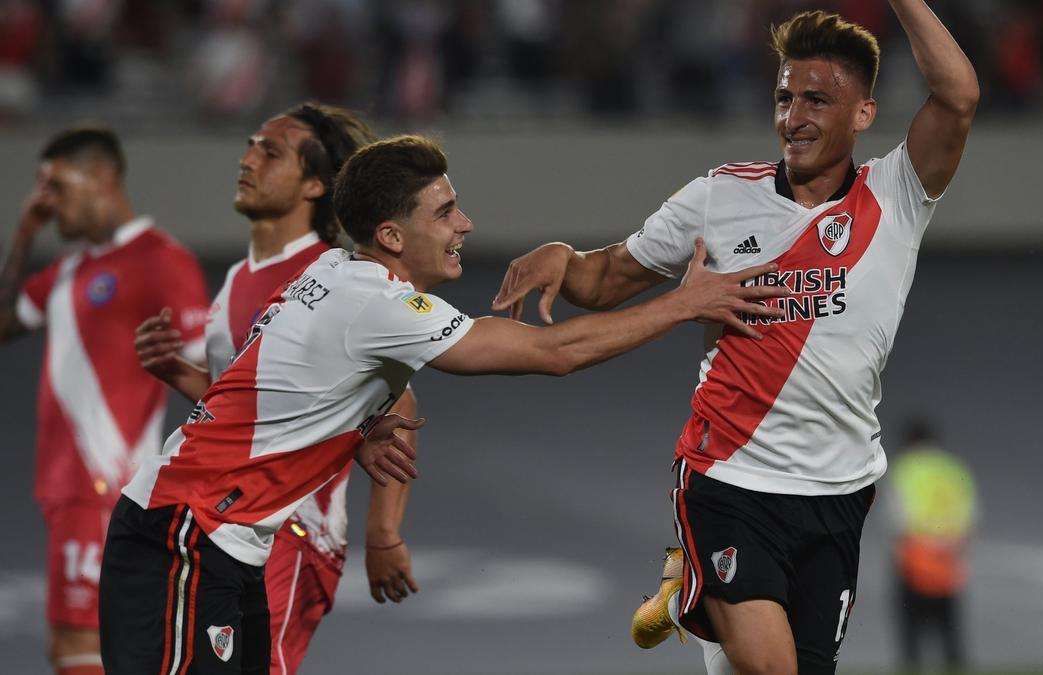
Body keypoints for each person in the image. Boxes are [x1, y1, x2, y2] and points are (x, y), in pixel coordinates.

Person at [97, 134, 786, 673]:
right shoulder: (375, 303)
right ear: (392, 237)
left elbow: (272, 391)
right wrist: (682, 304)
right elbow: (554, 353)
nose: (466, 221)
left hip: (207, 540)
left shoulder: (332, 272)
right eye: (445, 211)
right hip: (186, 539)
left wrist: (353, 429)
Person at [492, 3, 978, 673]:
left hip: (838, 489)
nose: (793, 116)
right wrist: (564, 259)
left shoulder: (896, 194)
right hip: (730, 476)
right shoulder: (720, 197)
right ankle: (697, 575)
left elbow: (958, 95)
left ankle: (687, 586)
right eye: (784, 97)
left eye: (816, 99)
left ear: (864, 113)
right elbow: (609, 277)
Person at [130, 102, 420, 674]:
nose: (247, 160)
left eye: (271, 152)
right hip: (229, 523)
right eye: (250, 145)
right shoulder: (240, 277)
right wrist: (180, 375)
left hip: (291, 526)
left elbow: (399, 400)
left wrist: (383, 533)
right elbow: (256, 404)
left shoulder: (329, 273)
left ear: (316, 184)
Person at [0, 128, 210, 675]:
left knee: (82, 646)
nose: (44, 198)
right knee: (80, 646)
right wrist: (23, 234)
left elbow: (212, 379)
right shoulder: (69, 270)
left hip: (103, 486)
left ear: (100, 178)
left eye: (55, 183)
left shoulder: (161, 259)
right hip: (68, 489)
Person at [888, 418, 977, 673]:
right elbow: (970, 514)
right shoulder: (953, 467)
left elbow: (897, 518)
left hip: (915, 557)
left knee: (911, 638)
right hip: (949, 559)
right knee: (950, 635)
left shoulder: (906, 468)